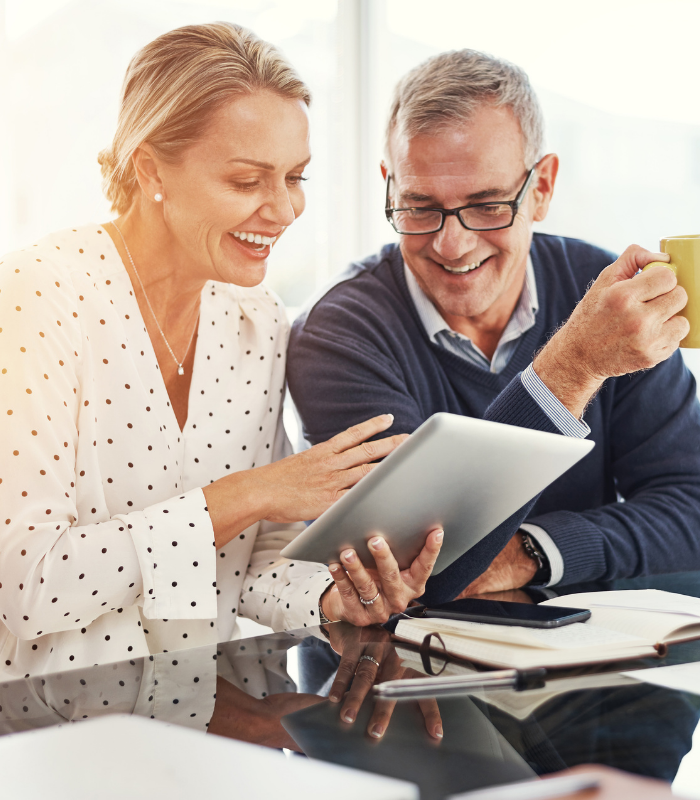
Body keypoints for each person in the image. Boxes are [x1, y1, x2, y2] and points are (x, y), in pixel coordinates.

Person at [0, 22, 444, 677]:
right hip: (55, 730)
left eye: (296, 177)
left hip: (212, 713)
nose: (285, 208)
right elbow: (28, 587)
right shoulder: (40, 297)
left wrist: (332, 596)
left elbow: (257, 556)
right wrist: (248, 494)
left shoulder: (256, 322)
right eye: (246, 181)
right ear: (150, 170)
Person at [288, 48, 700, 610]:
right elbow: (414, 568)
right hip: (395, 678)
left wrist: (528, 551)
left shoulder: (604, 298)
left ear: (543, 187)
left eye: (486, 206)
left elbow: (693, 506)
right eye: (419, 206)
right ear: (389, 188)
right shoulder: (338, 334)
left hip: (581, 665)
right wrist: (574, 365)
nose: (451, 244)